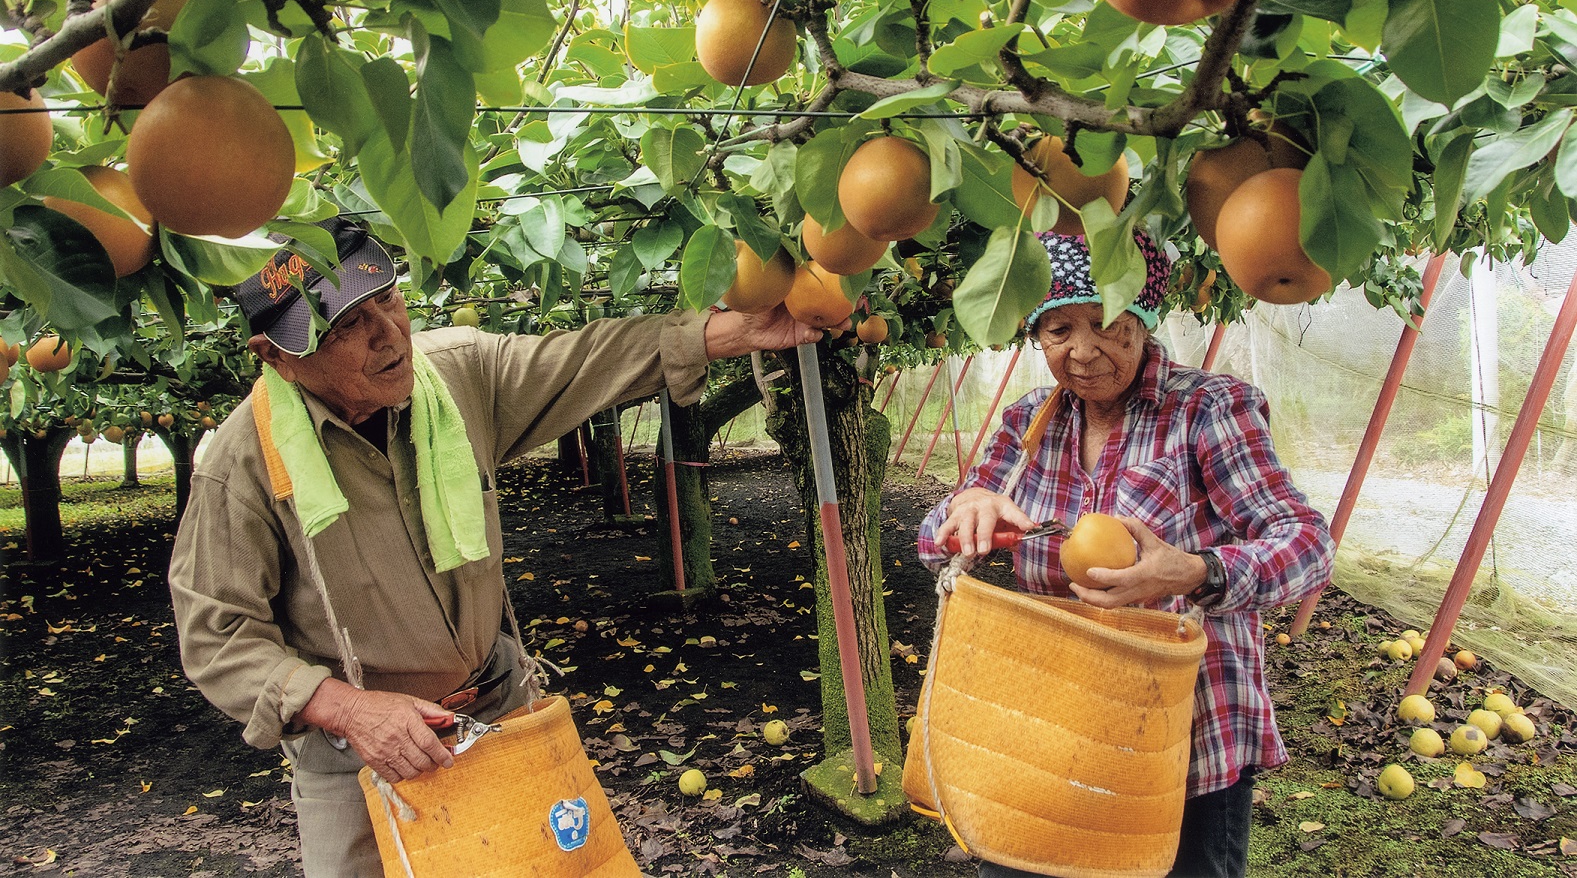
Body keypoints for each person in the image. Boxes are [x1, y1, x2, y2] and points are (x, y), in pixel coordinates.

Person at [168, 216, 834, 876]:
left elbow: (585, 360)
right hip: (360, 756)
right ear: (274, 355)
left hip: (494, 710)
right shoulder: (245, 464)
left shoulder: (455, 377)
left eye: (387, 300)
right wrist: (347, 709)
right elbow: (217, 636)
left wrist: (736, 330)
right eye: (343, 327)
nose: (386, 335)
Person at [917, 231, 1334, 878]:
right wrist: (967, 513)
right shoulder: (1027, 423)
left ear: (1142, 320)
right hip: (1055, 729)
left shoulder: (1204, 410)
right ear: (1036, 334)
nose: (1081, 351)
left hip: (1183, 735)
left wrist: (1200, 570)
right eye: (1057, 328)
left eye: (1105, 323)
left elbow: (1306, 542)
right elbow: (933, 536)